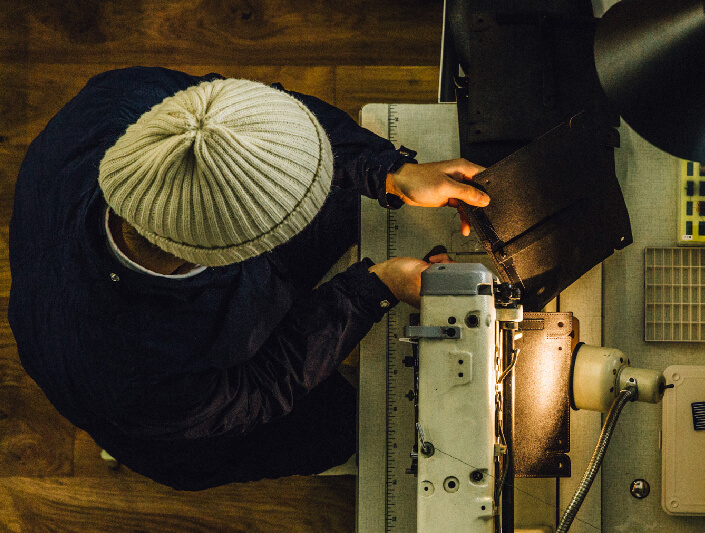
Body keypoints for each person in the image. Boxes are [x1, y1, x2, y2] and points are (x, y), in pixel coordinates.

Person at [8, 66, 489, 490]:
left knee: (343, 198)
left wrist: (389, 171)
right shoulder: (139, 376)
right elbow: (260, 385)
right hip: (168, 420)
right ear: (234, 253)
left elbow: (271, 115)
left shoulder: (122, 98)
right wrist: (376, 288)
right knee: (337, 429)